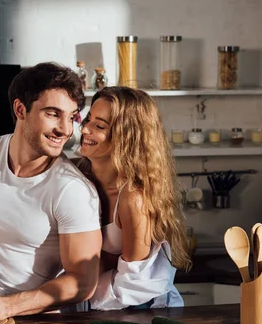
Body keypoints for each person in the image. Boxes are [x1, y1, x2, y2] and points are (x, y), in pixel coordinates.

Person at [0, 62, 102, 324]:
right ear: (20, 109)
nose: (66, 129)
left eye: (71, 116)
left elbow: (83, 282)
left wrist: (9, 306)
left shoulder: (72, 190)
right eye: (53, 114)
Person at [74, 86, 192, 310]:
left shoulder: (132, 199)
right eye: (88, 119)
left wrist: (76, 289)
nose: (85, 130)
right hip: (98, 305)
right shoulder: (77, 177)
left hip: (144, 309)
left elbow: (133, 285)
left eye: (99, 126)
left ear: (126, 138)